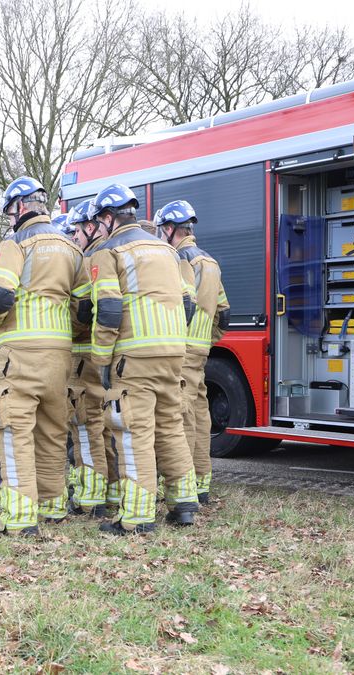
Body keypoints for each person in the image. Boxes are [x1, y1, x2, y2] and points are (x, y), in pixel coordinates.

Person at [84, 184, 199, 535]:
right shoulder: (167, 250)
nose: (97, 228)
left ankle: (136, 517)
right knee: (170, 425)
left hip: (133, 356)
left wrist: (101, 360)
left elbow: (108, 308)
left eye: (98, 221)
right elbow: (188, 303)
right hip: (173, 351)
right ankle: (183, 504)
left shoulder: (108, 251)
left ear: (108, 217)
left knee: (134, 431)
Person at [0, 175, 81, 536]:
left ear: (20, 207)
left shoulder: (16, 242)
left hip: (21, 354)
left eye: (10, 212)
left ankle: (20, 518)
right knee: (53, 431)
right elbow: (85, 307)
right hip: (60, 356)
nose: (10, 219)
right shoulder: (71, 248)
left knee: (14, 431)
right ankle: (53, 507)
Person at [155, 199, 230, 505]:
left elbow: (178, 304)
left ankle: (182, 488)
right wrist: (206, 341)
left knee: (180, 419)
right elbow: (223, 313)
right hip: (199, 351)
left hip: (180, 349)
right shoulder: (210, 262)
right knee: (200, 416)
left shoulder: (178, 259)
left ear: (171, 228)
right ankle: (200, 483)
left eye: (162, 229)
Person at [65, 200, 111, 517]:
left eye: (77, 231)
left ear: (91, 227)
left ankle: (92, 498)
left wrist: (64, 328)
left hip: (85, 355)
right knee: (104, 427)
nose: (74, 237)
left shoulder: (92, 258)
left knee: (86, 425)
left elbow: (84, 311)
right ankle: (109, 492)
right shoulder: (112, 253)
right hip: (104, 356)